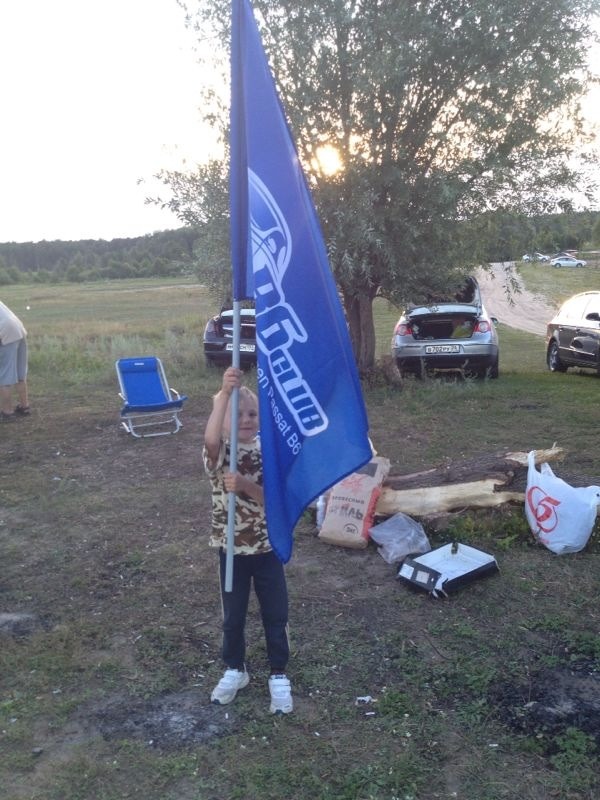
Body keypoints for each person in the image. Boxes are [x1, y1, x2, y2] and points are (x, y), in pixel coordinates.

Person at [203, 366, 292, 714]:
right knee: (233, 615)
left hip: (267, 547)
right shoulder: (221, 453)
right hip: (231, 551)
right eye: (236, 414)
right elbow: (211, 441)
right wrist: (224, 394)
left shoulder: (269, 452)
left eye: (252, 414)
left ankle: (278, 673)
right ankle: (234, 669)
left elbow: (277, 501)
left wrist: (245, 486)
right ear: (223, 420)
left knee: (275, 612)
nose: (245, 420)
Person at [0, 300, 30, 421]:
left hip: (5, 331)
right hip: (18, 328)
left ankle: (7, 412)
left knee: (4, 375)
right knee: (20, 373)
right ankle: (24, 407)